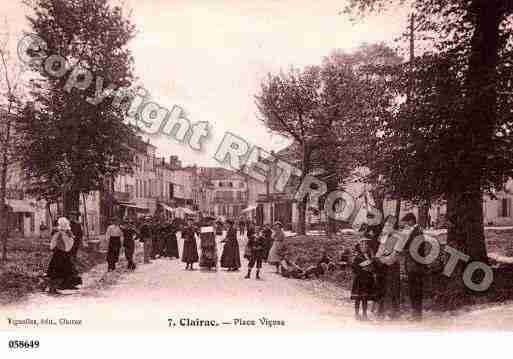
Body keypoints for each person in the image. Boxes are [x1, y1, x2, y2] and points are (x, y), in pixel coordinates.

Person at [374, 215, 401, 319]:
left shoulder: (398, 238)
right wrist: (376, 259)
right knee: (381, 288)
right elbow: (379, 252)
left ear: (394, 226)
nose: (387, 226)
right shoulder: (384, 237)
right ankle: (381, 311)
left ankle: (394, 312)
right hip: (382, 266)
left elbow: (394, 257)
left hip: (392, 267)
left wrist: (381, 260)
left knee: (392, 289)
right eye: (386, 224)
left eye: (389, 225)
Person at [46, 217, 80, 294]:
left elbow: (71, 241)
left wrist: (70, 236)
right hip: (59, 252)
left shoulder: (68, 232)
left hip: (64, 252)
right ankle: (55, 286)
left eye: (65, 225)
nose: (64, 227)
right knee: (58, 267)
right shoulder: (58, 233)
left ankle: (66, 284)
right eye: (63, 225)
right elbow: (54, 241)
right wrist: (53, 247)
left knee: (67, 267)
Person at [351, 236, 376, 321]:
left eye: (366, 245)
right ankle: (357, 314)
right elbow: (354, 268)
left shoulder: (369, 255)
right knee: (358, 298)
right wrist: (363, 268)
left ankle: (365, 314)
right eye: (362, 245)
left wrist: (370, 267)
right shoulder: (357, 256)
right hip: (360, 280)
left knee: (365, 298)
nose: (364, 247)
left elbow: (372, 266)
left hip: (367, 280)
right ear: (359, 247)